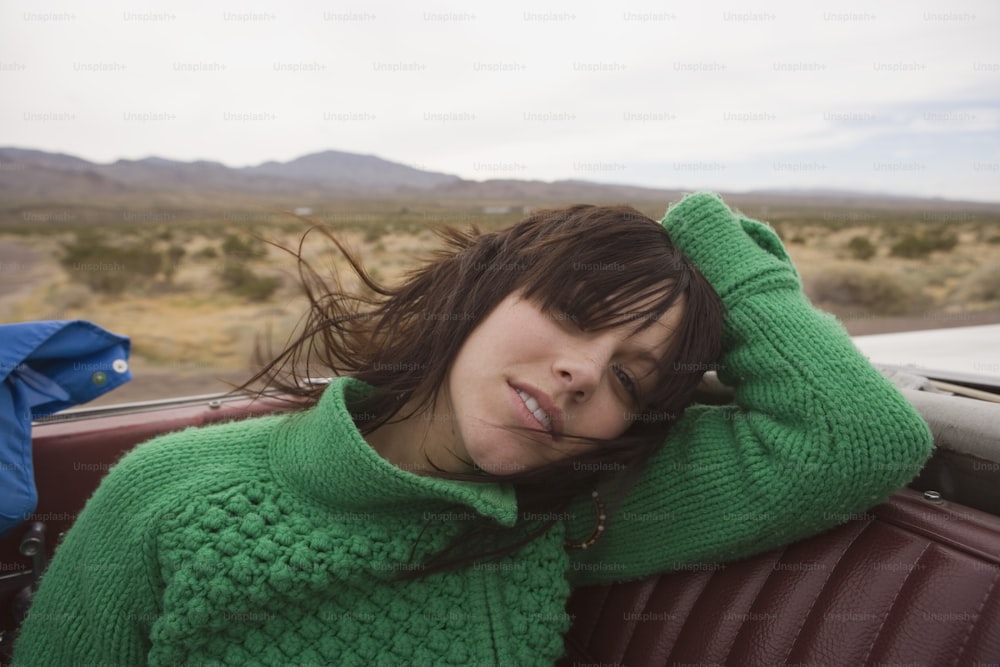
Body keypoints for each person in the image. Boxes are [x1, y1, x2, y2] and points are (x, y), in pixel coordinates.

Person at [12, 192, 933, 666]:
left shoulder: (561, 519)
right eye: (574, 312)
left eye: (628, 377)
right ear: (481, 291)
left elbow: (853, 434)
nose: (582, 371)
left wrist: (710, 239)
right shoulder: (171, 491)